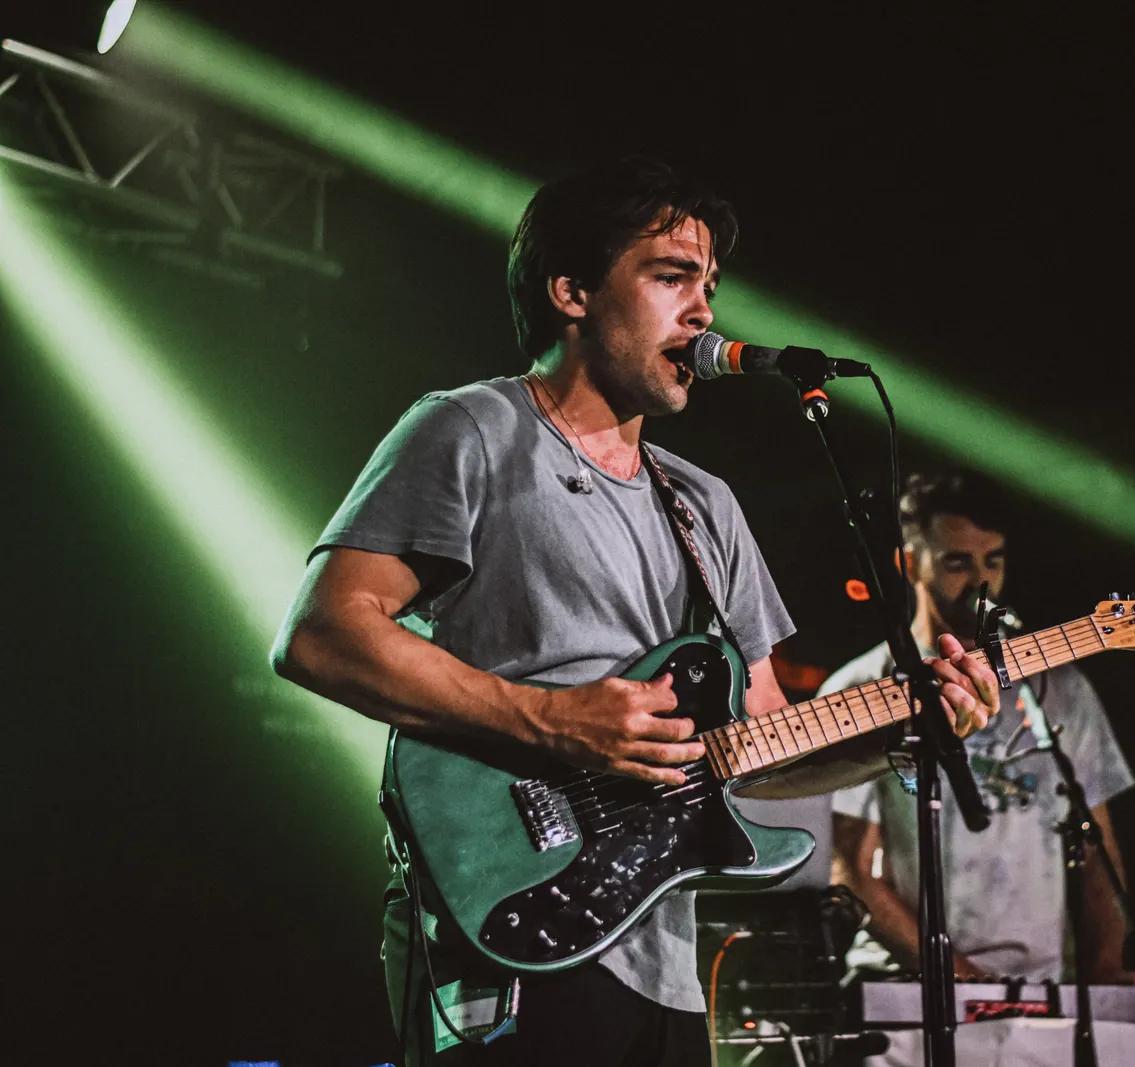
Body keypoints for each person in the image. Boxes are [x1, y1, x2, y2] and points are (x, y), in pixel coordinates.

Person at [270, 158, 997, 1066]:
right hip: (508, 917)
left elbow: (765, 745)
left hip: (665, 959)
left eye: (711, 285)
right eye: (671, 276)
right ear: (572, 291)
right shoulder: (471, 429)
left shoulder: (706, 504)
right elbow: (322, 633)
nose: (703, 311)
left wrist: (906, 726)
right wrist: (553, 717)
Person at [827, 470, 1135, 989]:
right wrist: (962, 980)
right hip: (906, 991)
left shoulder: (1060, 688)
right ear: (910, 563)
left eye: (993, 560)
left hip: (1042, 989)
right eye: (958, 562)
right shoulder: (860, 686)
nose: (981, 580)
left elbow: (1096, 846)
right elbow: (850, 868)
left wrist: (1107, 967)